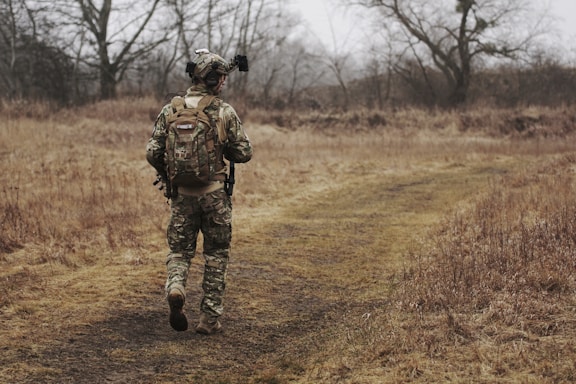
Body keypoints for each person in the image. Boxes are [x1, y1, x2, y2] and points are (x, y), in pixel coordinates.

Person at [146, 49, 253, 334]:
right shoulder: (223, 111)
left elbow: (152, 151)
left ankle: (177, 286)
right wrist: (223, 147)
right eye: (222, 78)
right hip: (215, 195)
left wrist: (168, 175)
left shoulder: (172, 109)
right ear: (215, 80)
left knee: (180, 251)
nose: (224, 83)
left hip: (182, 195)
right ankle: (209, 320)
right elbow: (244, 153)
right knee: (216, 254)